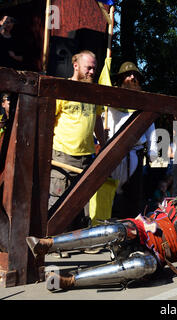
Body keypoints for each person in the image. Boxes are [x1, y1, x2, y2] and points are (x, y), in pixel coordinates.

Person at [26, 174, 177, 291]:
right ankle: (48, 244)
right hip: (140, 232)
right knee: (115, 229)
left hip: (154, 256)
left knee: (143, 266)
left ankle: (69, 280)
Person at [49, 51, 106, 232]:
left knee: (83, 203)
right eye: (88, 68)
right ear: (76, 66)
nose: (91, 72)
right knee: (58, 200)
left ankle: (78, 241)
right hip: (62, 154)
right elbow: (49, 120)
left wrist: (105, 144)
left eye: (94, 69)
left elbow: (97, 120)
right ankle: (53, 241)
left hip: (85, 156)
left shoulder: (93, 92)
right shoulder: (64, 88)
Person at [106, 61, 158, 216]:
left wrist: (153, 149)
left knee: (134, 197)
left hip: (135, 152)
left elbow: (150, 128)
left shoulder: (143, 102)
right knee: (112, 194)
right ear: (122, 78)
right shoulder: (113, 100)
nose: (132, 77)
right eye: (128, 75)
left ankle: (132, 232)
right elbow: (104, 120)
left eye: (135, 75)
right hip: (115, 153)